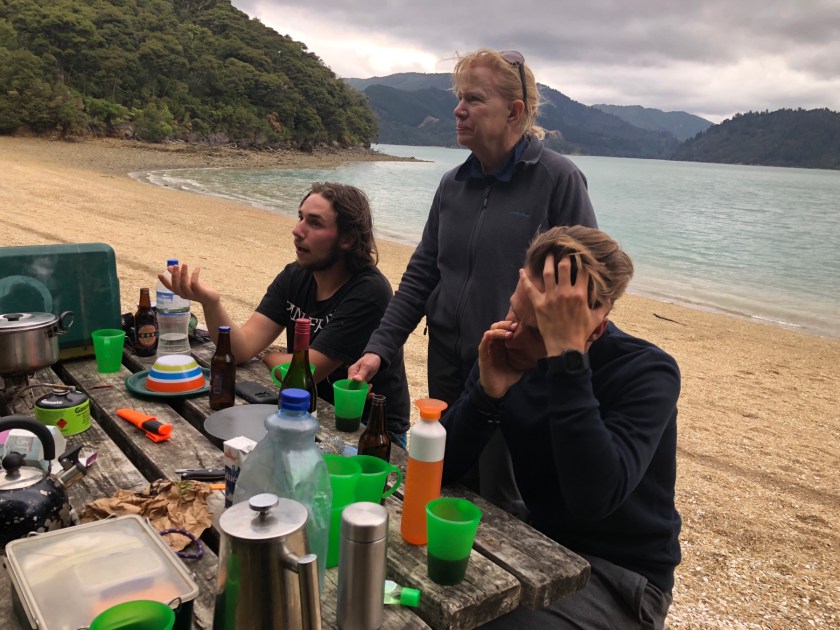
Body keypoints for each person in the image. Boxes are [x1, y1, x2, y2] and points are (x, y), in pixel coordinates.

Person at [349, 49, 597, 511]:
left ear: (514, 111)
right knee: (445, 476)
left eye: (474, 99)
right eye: (460, 98)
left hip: (514, 367)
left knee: (503, 498)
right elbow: (423, 273)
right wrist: (379, 347)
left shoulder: (557, 179)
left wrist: (533, 349)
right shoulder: (453, 183)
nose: (458, 110)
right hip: (447, 359)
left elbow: (585, 287)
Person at [441, 225, 681, 629]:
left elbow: (593, 498)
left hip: (623, 576)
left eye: (539, 331)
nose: (514, 335)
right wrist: (487, 395)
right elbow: (442, 468)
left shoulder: (647, 372)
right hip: (541, 538)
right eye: (515, 311)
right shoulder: (510, 353)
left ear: (594, 331)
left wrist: (566, 359)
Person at [159, 182, 411, 444]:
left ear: (347, 238)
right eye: (301, 217)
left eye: (315, 223)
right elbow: (240, 349)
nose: (297, 230)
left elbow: (305, 374)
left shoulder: (368, 292)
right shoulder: (296, 275)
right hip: (306, 413)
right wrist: (211, 304)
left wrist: (268, 355)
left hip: (368, 431)